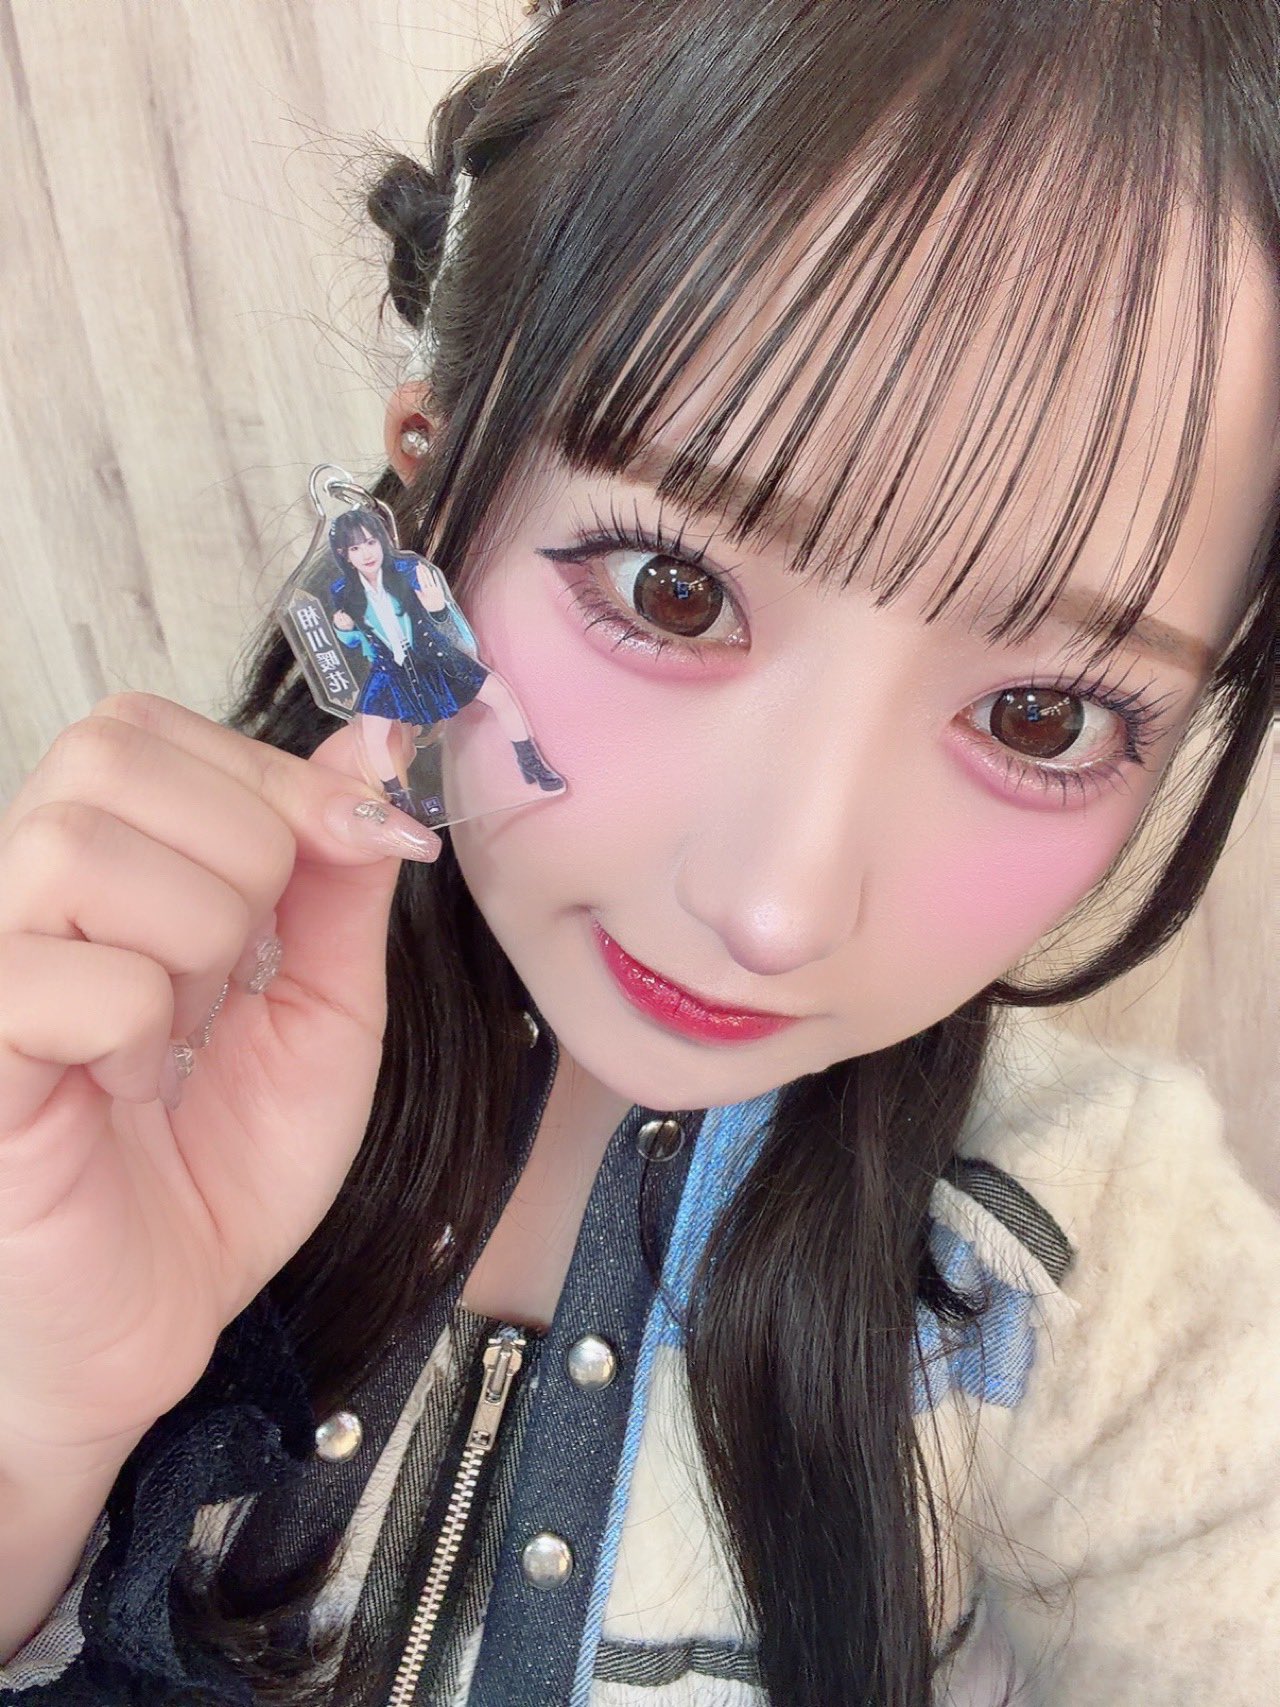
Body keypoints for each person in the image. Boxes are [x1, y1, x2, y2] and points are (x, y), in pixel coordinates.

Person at [0, 1, 1277, 1703]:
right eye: (673, 591)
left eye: (1043, 716)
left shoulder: (1103, 1269)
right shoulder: (93, 1052)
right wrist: (39, 1419)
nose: (775, 908)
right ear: (425, 498)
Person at [324, 506, 566, 816]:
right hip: (389, 668)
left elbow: (444, 618)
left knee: (499, 694)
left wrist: (436, 608)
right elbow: (356, 641)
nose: (366, 553)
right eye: (355, 548)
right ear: (344, 554)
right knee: (372, 734)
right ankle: (399, 797)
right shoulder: (343, 591)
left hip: (432, 654)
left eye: (371, 542)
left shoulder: (409, 569)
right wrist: (343, 630)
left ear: (382, 540)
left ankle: (530, 761)